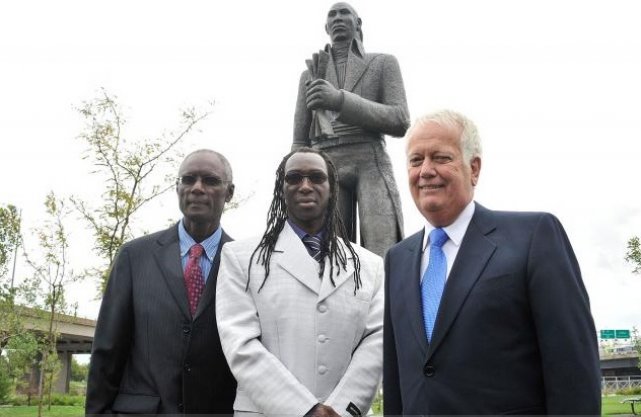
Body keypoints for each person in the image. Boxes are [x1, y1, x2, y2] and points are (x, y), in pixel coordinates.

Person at [383, 110, 602, 415]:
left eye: (441, 158)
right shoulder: (396, 259)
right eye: (416, 160)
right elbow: (396, 381)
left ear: (473, 169)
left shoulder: (535, 237)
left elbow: (574, 372)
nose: (426, 170)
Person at [216, 147, 383, 417]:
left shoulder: (370, 265)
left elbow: (377, 341)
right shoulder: (240, 258)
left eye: (316, 177)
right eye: (294, 178)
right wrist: (305, 410)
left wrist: (339, 410)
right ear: (281, 189)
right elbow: (240, 344)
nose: (305, 186)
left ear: (332, 189)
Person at [85, 149, 237, 415]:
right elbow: (107, 352)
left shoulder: (244, 263)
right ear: (177, 188)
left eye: (210, 180)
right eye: (188, 179)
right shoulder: (134, 256)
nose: (197, 188)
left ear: (230, 192)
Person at [293, 2, 410, 257]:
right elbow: (299, 141)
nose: (338, 17)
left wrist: (339, 100)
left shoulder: (382, 63)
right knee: (326, 254)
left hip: (369, 158)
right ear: (326, 27)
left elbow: (400, 119)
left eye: (344, 12)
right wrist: (292, 180)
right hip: (323, 165)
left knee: (382, 247)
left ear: (358, 23)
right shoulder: (310, 74)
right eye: (332, 14)